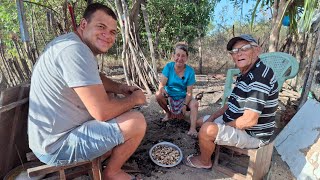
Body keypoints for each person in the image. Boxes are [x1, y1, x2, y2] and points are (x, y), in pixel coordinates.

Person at [28, 3, 146, 180]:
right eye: (101, 27)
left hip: (48, 137)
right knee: (136, 122)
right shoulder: (74, 51)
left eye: (113, 32)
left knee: (112, 97)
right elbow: (102, 112)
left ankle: (107, 153)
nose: (108, 35)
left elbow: (94, 77)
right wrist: (135, 99)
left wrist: (120, 88)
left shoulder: (70, 43)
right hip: (56, 147)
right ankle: (111, 173)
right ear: (84, 25)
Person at [184, 34, 279, 169]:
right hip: (235, 122)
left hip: (253, 134)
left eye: (244, 48)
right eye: (234, 51)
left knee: (206, 129)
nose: (238, 54)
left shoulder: (260, 77)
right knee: (200, 121)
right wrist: (213, 116)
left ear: (257, 50)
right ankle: (211, 143)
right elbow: (231, 103)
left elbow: (249, 121)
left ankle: (205, 161)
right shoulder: (244, 74)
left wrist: (224, 126)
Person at [155, 42, 199, 137]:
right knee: (158, 94)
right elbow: (161, 85)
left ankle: (192, 128)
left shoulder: (190, 71)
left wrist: (184, 105)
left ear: (186, 58)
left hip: (184, 98)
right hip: (169, 96)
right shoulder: (168, 67)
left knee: (195, 103)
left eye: (183, 56)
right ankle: (168, 113)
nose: (180, 58)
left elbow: (189, 93)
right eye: (178, 55)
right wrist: (163, 90)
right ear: (173, 56)